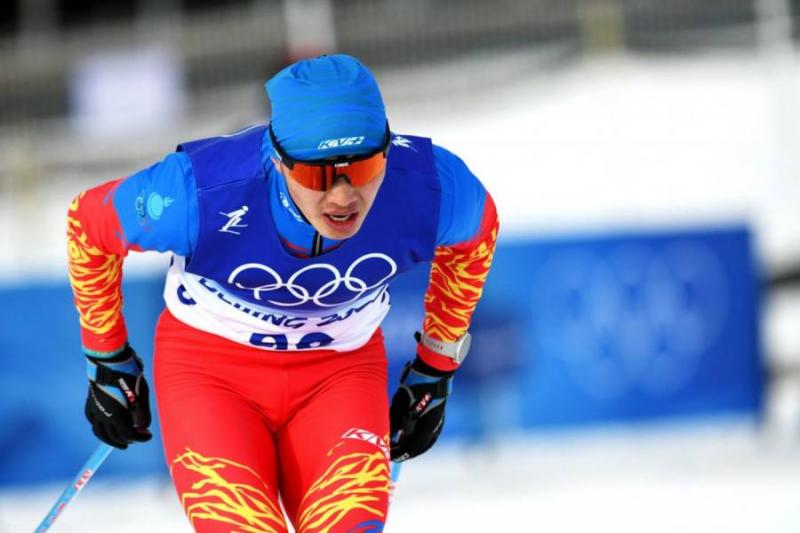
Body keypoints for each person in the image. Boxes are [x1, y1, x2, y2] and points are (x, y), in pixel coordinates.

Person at [67, 54, 498, 532]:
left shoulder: (432, 187)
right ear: (278, 159)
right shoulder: (200, 190)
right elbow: (89, 224)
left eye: (363, 168)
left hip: (340, 374)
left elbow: (477, 236)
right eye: (317, 175)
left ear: (386, 152)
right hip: (211, 376)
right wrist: (107, 358)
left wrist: (436, 366)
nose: (343, 196)